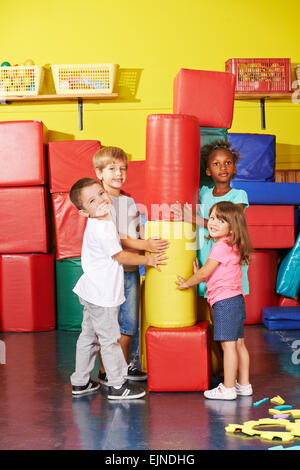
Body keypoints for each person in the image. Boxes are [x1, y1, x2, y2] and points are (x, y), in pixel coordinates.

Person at [69, 177, 167, 399]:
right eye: (92, 201)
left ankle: (80, 382)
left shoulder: (101, 222)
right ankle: (116, 385)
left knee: (89, 338)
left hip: (92, 292)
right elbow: (120, 255)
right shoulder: (101, 228)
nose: (102, 200)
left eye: (101, 194)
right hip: (102, 296)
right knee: (109, 340)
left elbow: (118, 238)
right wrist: (148, 260)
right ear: (84, 212)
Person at [93, 146, 167, 384]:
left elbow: (136, 230)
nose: (119, 173)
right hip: (110, 272)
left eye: (123, 168)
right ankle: (108, 371)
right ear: (99, 173)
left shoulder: (129, 201)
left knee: (128, 325)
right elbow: (116, 237)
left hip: (131, 270)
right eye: (112, 169)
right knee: (110, 327)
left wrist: (151, 235)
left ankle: (122, 368)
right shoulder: (101, 202)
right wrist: (146, 244)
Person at [176, 201, 253, 400]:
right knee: (239, 344)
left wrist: (187, 282)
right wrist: (201, 274)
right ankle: (244, 385)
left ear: (232, 226)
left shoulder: (220, 247)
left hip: (225, 302)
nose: (213, 223)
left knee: (228, 346)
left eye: (221, 220)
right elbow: (215, 273)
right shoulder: (233, 244)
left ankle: (227, 388)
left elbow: (205, 273)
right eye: (211, 218)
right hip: (236, 300)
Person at [171, 140, 249, 297]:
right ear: (208, 171)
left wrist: (192, 218)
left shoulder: (238, 195)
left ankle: (225, 322)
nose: (223, 167)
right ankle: (217, 322)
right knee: (211, 297)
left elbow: (231, 222)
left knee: (225, 295)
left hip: (226, 257)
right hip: (205, 253)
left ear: (234, 168)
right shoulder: (203, 193)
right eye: (216, 164)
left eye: (228, 163)